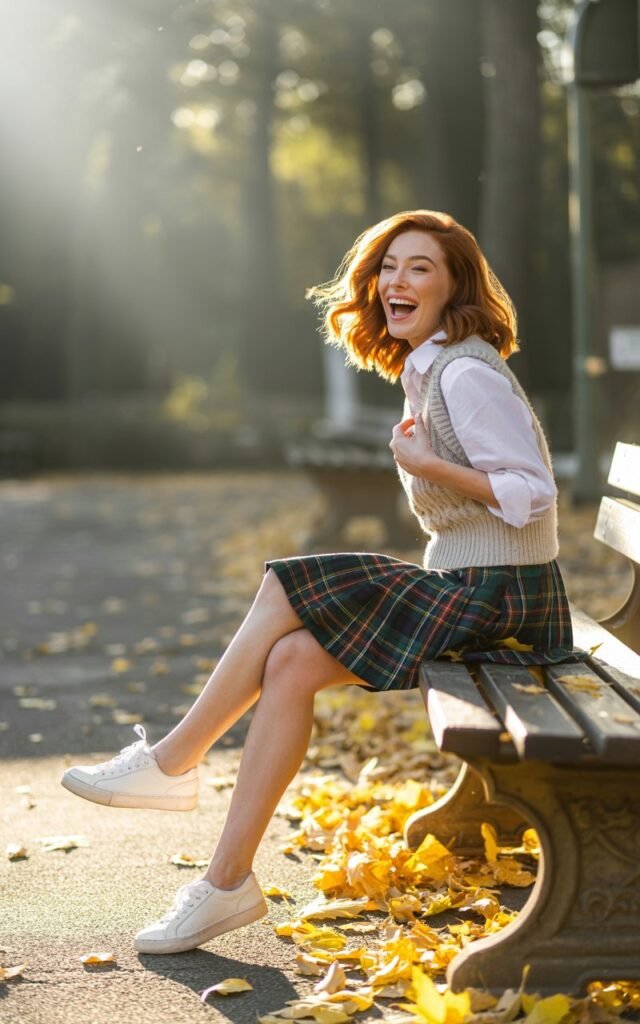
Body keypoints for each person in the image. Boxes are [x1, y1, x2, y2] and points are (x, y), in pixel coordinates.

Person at [61, 209, 584, 956]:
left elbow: (534, 492)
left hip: (503, 599)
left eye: (420, 268)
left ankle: (173, 761)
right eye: (390, 267)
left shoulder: (465, 373)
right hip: (476, 585)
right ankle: (225, 887)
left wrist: (431, 467)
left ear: (453, 286)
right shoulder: (429, 366)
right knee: (290, 660)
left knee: (287, 584)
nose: (397, 281)